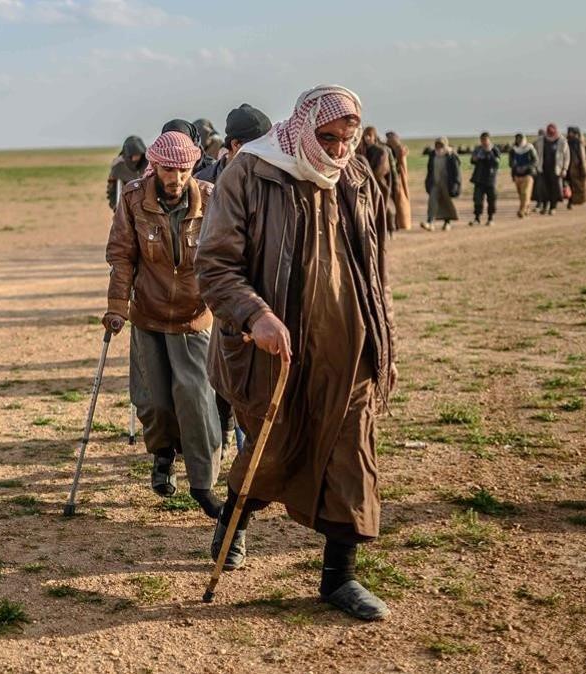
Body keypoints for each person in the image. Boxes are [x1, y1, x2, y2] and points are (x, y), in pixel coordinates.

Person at [197, 84, 397, 621]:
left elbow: (375, 271)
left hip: (348, 346)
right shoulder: (252, 172)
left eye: (346, 139)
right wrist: (255, 314)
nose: (336, 150)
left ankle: (339, 578)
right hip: (274, 350)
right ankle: (233, 523)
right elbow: (215, 264)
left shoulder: (355, 177)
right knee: (272, 446)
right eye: (327, 137)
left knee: (352, 454)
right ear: (303, 127)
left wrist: (384, 343)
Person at [103, 131, 224, 519]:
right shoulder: (134, 198)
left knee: (194, 396)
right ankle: (162, 457)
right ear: (155, 166)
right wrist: (117, 305)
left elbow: (225, 255)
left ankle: (203, 483)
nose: (176, 178)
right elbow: (122, 255)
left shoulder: (210, 197)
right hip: (149, 315)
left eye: (183, 170)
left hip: (193, 317)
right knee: (154, 399)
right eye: (169, 170)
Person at [195, 104, 271, 185]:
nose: (265, 152)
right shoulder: (203, 184)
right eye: (258, 147)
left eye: (269, 145)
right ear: (236, 144)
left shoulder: (273, 177)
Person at [358, 126, 396, 234]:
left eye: (369, 136)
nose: (367, 138)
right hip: (367, 183)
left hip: (380, 183)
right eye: (365, 136)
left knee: (384, 206)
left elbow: (382, 169)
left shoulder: (381, 151)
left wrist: (371, 178)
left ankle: (390, 229)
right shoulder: (362, 150)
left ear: (374, 136)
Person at [420, 136, 460, 230]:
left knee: (447, 203)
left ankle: (447, 222)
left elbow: (456, 172)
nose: (438, 147)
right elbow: (429, 170)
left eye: (441, 144)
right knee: (432, 201)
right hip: (435, 183)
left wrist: (455, 185)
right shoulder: (433, 155)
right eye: (437, 145)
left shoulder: (451, 155)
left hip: (447, 184)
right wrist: (427, 183)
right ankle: (430, 222)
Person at [534, 123, 569, 214]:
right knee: (544, 189)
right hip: (543, 168)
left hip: (556, 169)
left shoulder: (562, 141)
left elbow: (566, 156)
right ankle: (545, 206)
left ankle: (553, 207)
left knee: (555, 189)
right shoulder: (541, 140)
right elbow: (536, 153)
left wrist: (564, 169)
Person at [107, 136, 148, 210]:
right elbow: (112, 188)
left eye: (138, 154)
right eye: (134, 155)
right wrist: (115, 206)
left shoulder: (147, 163)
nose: (136, 158)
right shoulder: (119, 165)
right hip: (126, 201)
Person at [468, 132, 501, 225]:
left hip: (490, 179)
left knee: (492, 199)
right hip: (479, 178)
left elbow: (496, 163)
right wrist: (476, 158)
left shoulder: (494, 150)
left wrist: (489, 153)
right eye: (482, 140)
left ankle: (490, 218)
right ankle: (477, 218)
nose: (483, 142)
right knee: (477, 199)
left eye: (485, 140)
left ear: (489, 139)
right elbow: (472, 160)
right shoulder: (478, 149)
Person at [385, 131, 412, 231]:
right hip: (393, 178)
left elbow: (402, 167)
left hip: (399, 180)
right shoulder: (391, 149)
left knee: (400, 202)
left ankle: (401, 223)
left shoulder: (400, 150)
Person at [508, 133, 540, 218]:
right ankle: (527, 208)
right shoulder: (513, 149)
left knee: (525, 192)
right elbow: (510, 163)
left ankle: (521, 210)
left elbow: (535, 161)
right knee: (521, 194)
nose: (519, 140)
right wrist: (515, 167)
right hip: (517, 175)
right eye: (517, 138)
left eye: (521, 138)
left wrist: (526, 167)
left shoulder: (530, 148)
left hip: (528, 174)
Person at [565, 126, 586, 208]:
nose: (569, 134)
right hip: (570, 166)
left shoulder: (581, 142)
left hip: (580, 167)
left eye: (571, 132)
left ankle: (578, 200)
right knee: (571, 185)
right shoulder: (567, 142)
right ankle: (571, 201)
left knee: (580, 186)